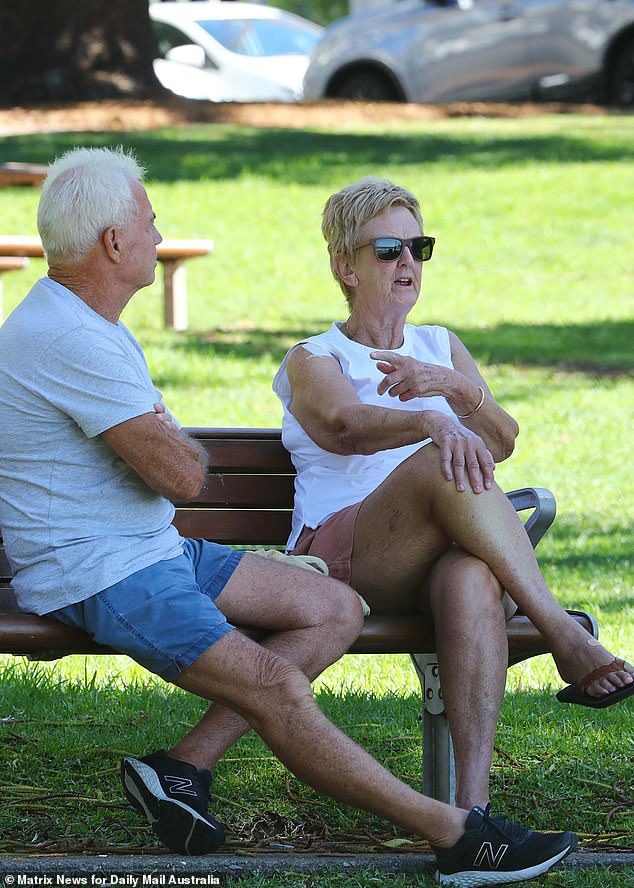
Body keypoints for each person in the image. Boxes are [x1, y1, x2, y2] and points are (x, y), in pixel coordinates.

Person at [0, 149, 578, 888]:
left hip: (150, 547)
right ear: (114, 243)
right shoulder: (71, 338)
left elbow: (164, 459)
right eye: (150, 223)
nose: (157, 235)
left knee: (331, 608)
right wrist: (162, 438)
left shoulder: (87, 323)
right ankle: (455, 834)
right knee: (275, 687)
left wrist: (158, 432)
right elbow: (180, 474)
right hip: (107, 571)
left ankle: (180, 768)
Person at [272, 176, 634, 811]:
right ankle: (561, 632)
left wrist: (458, 392)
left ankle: (473, 813)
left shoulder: (440, 346)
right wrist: (433, 420)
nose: (407, 262)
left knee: (471, 576)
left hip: (432, 557)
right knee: (441, 461)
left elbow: (502, 442)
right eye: (388, 249)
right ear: (344, 266)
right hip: (342, 559)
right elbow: (344, 427)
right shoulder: (314, 357)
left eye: (419, 247)